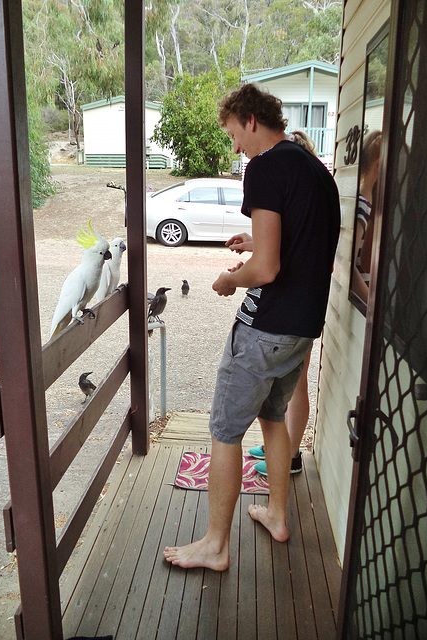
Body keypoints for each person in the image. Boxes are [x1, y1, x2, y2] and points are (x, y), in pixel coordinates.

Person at [163, 83, 340, 571]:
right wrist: (255, 240)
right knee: (274, 419)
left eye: (233, 134)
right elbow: (305, 244)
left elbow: (265, 270)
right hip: (302, 328)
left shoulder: (264, 167)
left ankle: (215, 546)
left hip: (265, 329)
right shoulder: (315, 169)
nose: (235, 147)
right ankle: (277, 515)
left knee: (224, 429)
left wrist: (229, 279)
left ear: (250, 120)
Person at [246, 130, 319, 476]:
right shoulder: (308, 194)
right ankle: (281, 448)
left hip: (299, 308)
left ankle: (289, 456)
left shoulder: (304, 188)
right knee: (284, 388)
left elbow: (289, 255)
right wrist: (252, 243)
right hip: (301, 306)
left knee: (297, 383)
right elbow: (283, 244)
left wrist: (234, 279)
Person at [352, 130, 382, 303]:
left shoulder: (366, 202)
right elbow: (352, 267)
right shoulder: (362, 206)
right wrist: (372, 305)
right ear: (378, 166)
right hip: (364, 300)